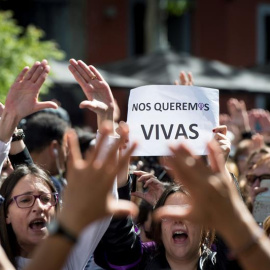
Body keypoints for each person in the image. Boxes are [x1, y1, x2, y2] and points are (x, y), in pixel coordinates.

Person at [154, 140, 270, 270]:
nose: (178, 220)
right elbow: (126, 241)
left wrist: (234, 222)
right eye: (169, 214)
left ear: (206, 229)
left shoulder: (221, 266)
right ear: (158, 230)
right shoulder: (141, 263)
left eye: (188, 213)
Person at [0, 164, 59, 269]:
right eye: (25, 200)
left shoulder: (72, 253)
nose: (39, 206)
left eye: (45, 199)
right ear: (6, 214)